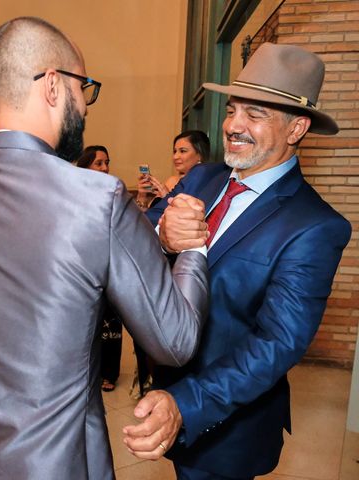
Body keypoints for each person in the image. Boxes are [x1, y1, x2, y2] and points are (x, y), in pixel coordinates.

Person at [0, 16, 210, 479]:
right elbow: (175, 340)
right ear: (52, 85)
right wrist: (193, 248)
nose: (85, 107)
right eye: (83, 88)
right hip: (53, 462)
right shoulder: (96, 199)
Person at [124, 43, 352, 479]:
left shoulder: (315, 226)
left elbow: (276, 343)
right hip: (168, 390)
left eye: (256, 114)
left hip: (226, 423)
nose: (233, 125)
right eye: (232, 110)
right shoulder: (203, 177)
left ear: (297, 128)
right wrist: (163, 237)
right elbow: (135, 240)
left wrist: (186, 403)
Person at [75, 145, 121, 392]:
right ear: (85, 166)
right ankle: (86, 372)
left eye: (106, 162)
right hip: (83, 266)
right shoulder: (73, 193)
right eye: (98, 163)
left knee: (111, 324)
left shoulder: (114, 191)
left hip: (110, 264)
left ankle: (109, 373)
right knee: (85, 323)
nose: (104, 168)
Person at [135, 130, 209, 210]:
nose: (175, 157)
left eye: (182, 151)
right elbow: (147, 218)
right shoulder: (172, 180)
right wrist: (142, 198)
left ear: (200, 155)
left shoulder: (206, 186)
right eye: (175, 151)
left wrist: (168, 198)